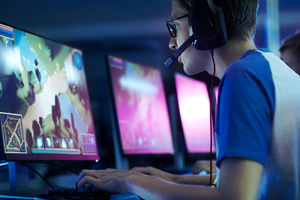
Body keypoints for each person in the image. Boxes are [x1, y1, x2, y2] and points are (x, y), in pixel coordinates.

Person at [76, 0, 300, 199]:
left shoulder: (242, 76)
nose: (172, 43)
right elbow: (257, 177)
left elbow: (235, 196)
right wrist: (174, 179)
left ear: (204, 22)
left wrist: (130, 182)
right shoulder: (271, 67)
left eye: (174, 25)